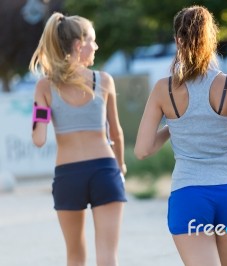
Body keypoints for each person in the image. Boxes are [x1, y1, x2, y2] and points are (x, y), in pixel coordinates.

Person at [134, 5, 227, 266]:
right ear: (213, 40)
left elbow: (142, 150)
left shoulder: (163, 89)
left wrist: (171, 127)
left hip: (189, 194)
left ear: (177, 40)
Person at [30, 12, 127, 266]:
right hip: (105, 171)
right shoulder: (103, 80)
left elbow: (38, 138)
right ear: (78, 44)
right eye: (92, 41)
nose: (95, 46)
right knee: (108, 257)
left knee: (75, 256)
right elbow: (116, 132)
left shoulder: (44, 86)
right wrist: (121, 167)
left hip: (68, 175)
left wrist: (41, 111)